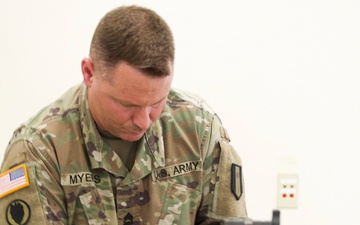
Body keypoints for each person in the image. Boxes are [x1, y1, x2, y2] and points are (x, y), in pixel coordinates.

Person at [0, 5, 247, 225]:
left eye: (157, 102)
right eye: (127, 104)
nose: (143, 121)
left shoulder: (198, 129)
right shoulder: (37, 149)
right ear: (89, 73)